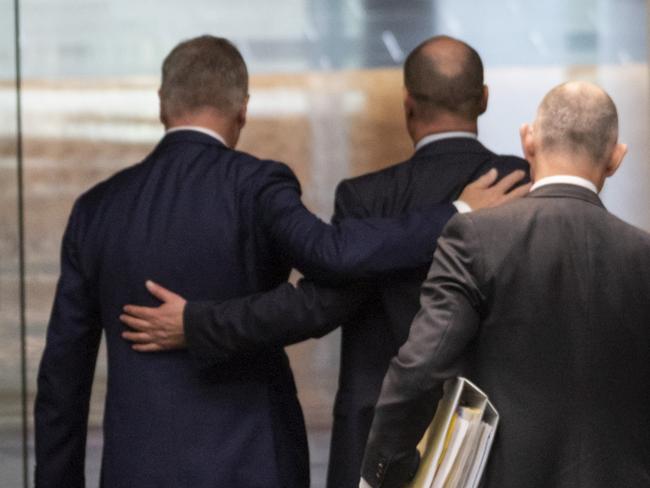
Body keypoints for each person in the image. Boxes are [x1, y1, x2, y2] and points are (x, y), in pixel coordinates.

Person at [33, 35, 525, 488]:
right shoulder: (257, 186)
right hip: (254, 461)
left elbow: (62, 379)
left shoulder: (97, 210)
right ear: (242, 110)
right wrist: (456, 213)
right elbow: (332, 258)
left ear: (162, 104)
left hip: (137, 468)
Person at [360, 81, 650, 488]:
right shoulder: (643, 253)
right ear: (616, 158)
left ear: (528, 139)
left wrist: (385, 469)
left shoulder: (475, 237)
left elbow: (420, 368)